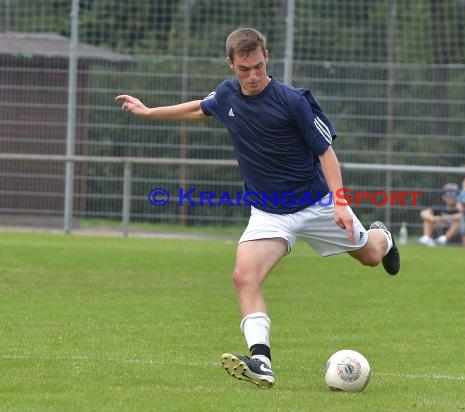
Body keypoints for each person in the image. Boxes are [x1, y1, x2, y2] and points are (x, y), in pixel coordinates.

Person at [115, 27, 400, 389]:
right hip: (269, 213)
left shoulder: (292, 101)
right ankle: (261, 360)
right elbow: (198, 108)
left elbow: (326, 152)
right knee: (243, 276)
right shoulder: (226, 94)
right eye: (244, 69)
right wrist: (149, 112)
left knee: (371, 256)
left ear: (267, 58)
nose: (252, 76)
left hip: (317, 204)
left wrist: (340, 203)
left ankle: (384, 238)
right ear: (231, 64)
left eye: (259, 67)